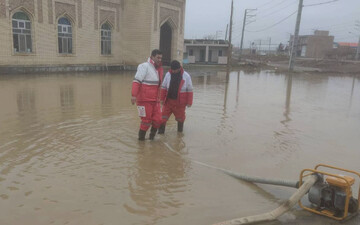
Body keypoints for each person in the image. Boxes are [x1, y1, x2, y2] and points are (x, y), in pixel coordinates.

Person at [131, 49, 163, 140]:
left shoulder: (159, 69)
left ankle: (151, 139)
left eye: (161, 58)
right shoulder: (144, 66)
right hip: (144, 100)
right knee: (146, 121)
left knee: (158, 120)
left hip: (155, 100)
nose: (159, 60)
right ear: (152, 56)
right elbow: (136, 81)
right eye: (158, 57)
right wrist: (134, 95)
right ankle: (141, 142)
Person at [158, 60, 193, 134]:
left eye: (175, 70)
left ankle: (180, 135)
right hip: (168, 102)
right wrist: (161, 99)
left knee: (180, 119)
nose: (173, 71)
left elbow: (190, 90)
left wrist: (189, 102)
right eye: (172, 70)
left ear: (179, 68)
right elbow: (164, 87)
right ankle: (160, 134)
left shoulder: (186, 76)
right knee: (162, 118)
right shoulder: (168, 74)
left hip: (180, 103)